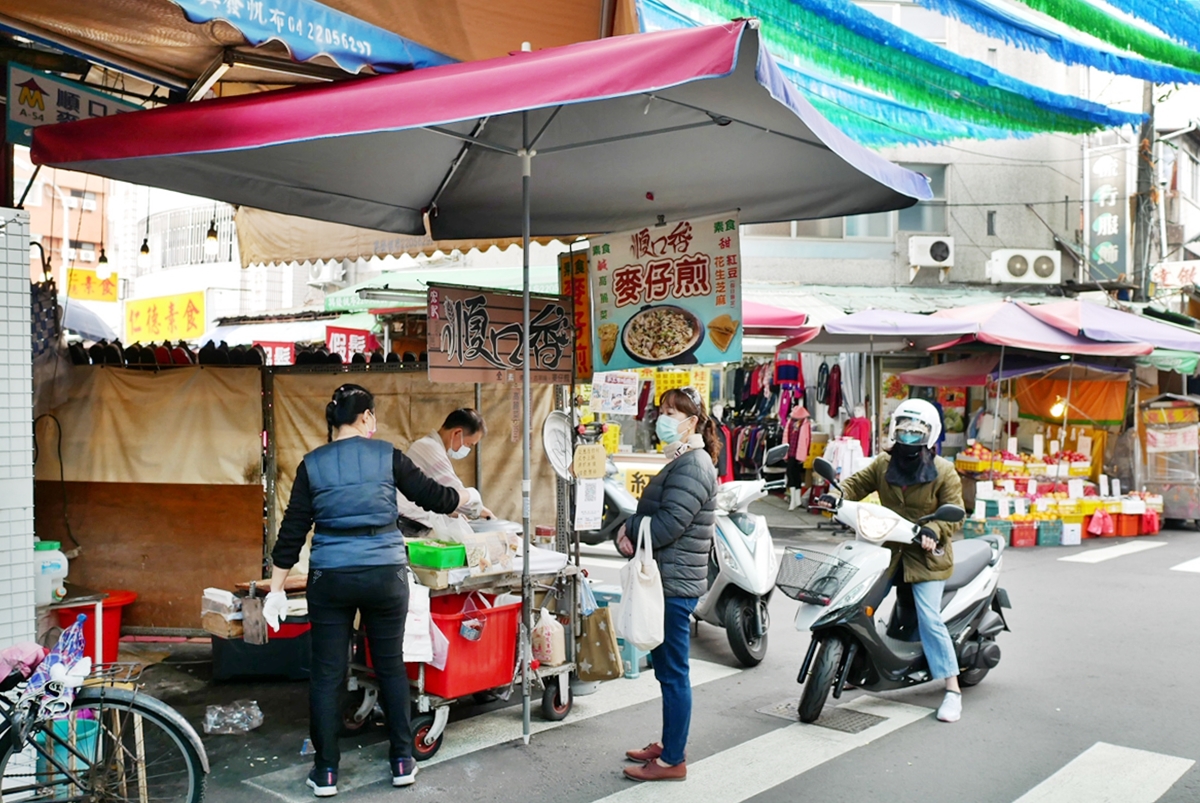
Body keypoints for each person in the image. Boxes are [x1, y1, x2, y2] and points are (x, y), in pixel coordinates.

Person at [263, 384, 468, 797]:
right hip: (384, 576)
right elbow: (435, 498)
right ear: (366, 417)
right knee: (390, 666)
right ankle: (401, 760)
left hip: (331, 578)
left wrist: (276, 589)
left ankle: (325, 772)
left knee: (327, 675)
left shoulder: (312, 465)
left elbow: (291, 532)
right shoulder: (388, 456)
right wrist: (461, 497)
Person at [825, 398, 966, 723]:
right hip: (887, 552)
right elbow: (854, 485)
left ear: (930, 436)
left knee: (930, 618)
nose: (909, 438)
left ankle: (952, 688)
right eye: (904, 431)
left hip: (926, 557)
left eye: (917, 432)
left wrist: (934, 527)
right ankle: (851, 667)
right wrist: (836, 495)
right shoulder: (882, 464)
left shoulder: (944, 471)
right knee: (855, 603)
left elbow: (955, 515)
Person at [617, 386, 720, 782]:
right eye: (661, 411)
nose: (663, 419)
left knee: (673, 673)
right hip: (668, 580)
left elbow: (667, 525)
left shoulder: (693, 465)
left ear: (692, 422)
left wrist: (629, 525)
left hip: (674, 586)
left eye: (672, 413)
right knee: (666, 671)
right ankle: (668, 742)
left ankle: (672, 759)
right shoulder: (682, 460)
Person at [396, 408, 494, 534]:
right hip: (408, 524)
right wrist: (482, 510)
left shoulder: (428, 446)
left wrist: (452, 512)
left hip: (408, 522)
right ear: (457, 433)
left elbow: (436, 496)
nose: (467, 449)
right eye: (469, 444)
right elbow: (455, 496)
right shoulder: (429, 448)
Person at [784, 405, 811, 511]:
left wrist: (806, 453)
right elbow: (786, 437)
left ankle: (795, 500)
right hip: (791, 451)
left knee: (795, 474)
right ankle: (795, 500)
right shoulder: (791, 422)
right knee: (791, 473)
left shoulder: (805, 424)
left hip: (798, 452)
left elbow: (807, 439)